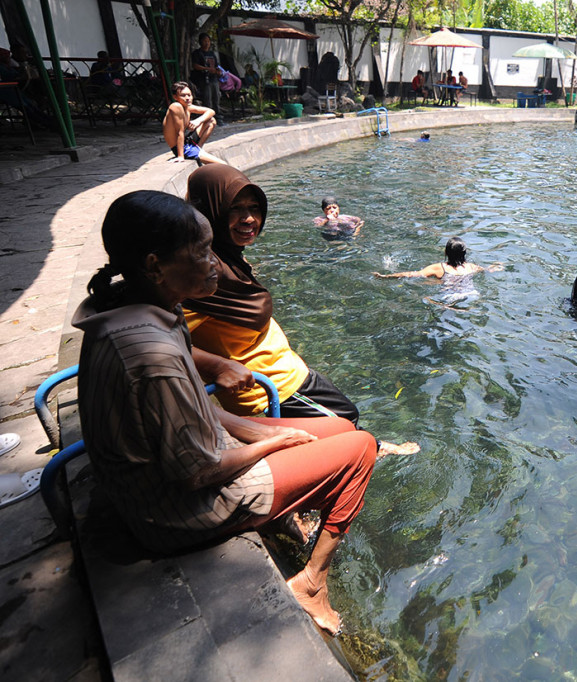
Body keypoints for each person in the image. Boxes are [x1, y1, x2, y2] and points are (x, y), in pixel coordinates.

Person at [74, 189, 387, 634]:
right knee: (360, 448)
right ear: (153, 265)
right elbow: (198, 471)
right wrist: (275, 442)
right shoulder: (151, 353)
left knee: (336, 425)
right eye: (201, 252)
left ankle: (294, 503)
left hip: (184, 460)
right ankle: (313, 582)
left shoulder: (145, 307)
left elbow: (191, 411)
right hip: (174, 511)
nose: (213, 263)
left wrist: (258, 434)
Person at [182, 166, 419, 456]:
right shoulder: (198, 275)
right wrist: (217, 366)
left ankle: (370, 450)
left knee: (346, 415)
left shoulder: (227, 259)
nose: (249, 219)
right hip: (267, 389)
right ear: (210, 210)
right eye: (235, 209)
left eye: (254, 208)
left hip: (286, 370)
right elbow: (164, 340)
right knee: (344, 429)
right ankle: (370, 453)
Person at [373, 237, 502, 280]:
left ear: (446, 252)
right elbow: (488, 269)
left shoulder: (439, 268)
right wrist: (498, 265)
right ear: (464, 254)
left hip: (449, 297)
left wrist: (385, 276)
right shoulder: (471, 267)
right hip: (471, 295)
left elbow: (411, 274)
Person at [162, 81, 224, 165]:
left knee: (211, 120)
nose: (187, 98)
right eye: (183, 95)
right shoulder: (176, 106)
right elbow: (179, 132)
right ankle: (195, 152)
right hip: (183, 148)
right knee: (223, 164)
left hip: (188, 141)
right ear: (175, 97)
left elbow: (211, 111)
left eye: (189, 95)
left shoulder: (188, 107)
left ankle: (199, 147)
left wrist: (198, 121)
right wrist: (180, 156)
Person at [190, 33, 220, 114]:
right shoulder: (197, 53)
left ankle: (217, 116)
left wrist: (218, 71)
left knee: (216, 98)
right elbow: (195, 65)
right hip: (204, 80)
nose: (207, 43)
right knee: (207, 99)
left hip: (214, 79)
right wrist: (207, 69)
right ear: (200, 42)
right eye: (205, 41)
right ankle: (208, 116)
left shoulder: (212, 54)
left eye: (208, 41)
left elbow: (216, 66)